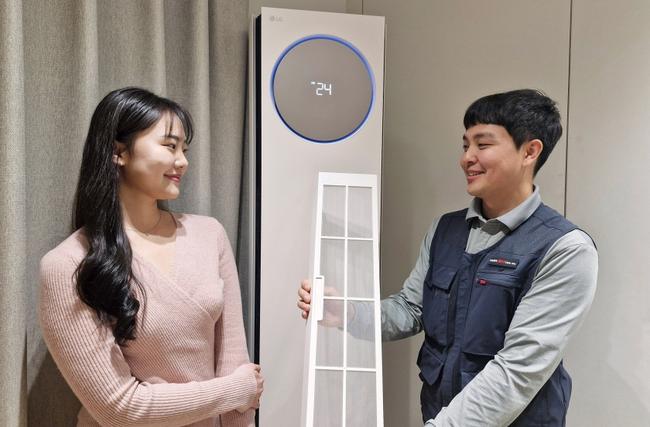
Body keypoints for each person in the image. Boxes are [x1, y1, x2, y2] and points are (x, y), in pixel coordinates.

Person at [298, 89, 598, 426]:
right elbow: (410, 309)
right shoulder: (446, 229)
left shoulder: (566, 249)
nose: (467, 158)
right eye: (465, 145)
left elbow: (516, 371)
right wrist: (348, 312)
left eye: (483, 145)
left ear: (530, 151)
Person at [39, 87, 263, 427]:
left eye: (184, 149)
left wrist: (238, 396)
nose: (183, 161)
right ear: (119, 152)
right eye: (170, 146)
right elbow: (119, 409)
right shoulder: (69, 264)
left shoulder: (209, 234)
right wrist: (234, 390)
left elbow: (234, 361)